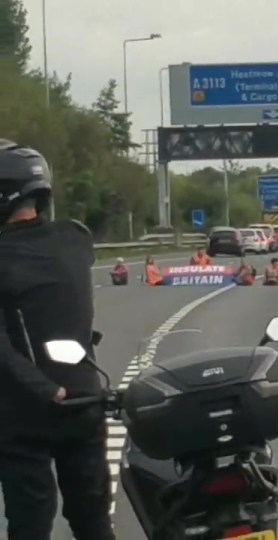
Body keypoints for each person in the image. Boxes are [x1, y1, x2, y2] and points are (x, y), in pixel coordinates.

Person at [0, 140, 116, 539]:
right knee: (93, 519)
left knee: (30, 521)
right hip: (85, 398)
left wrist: (46, 389)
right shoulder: (76, 240)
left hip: (23, 413)